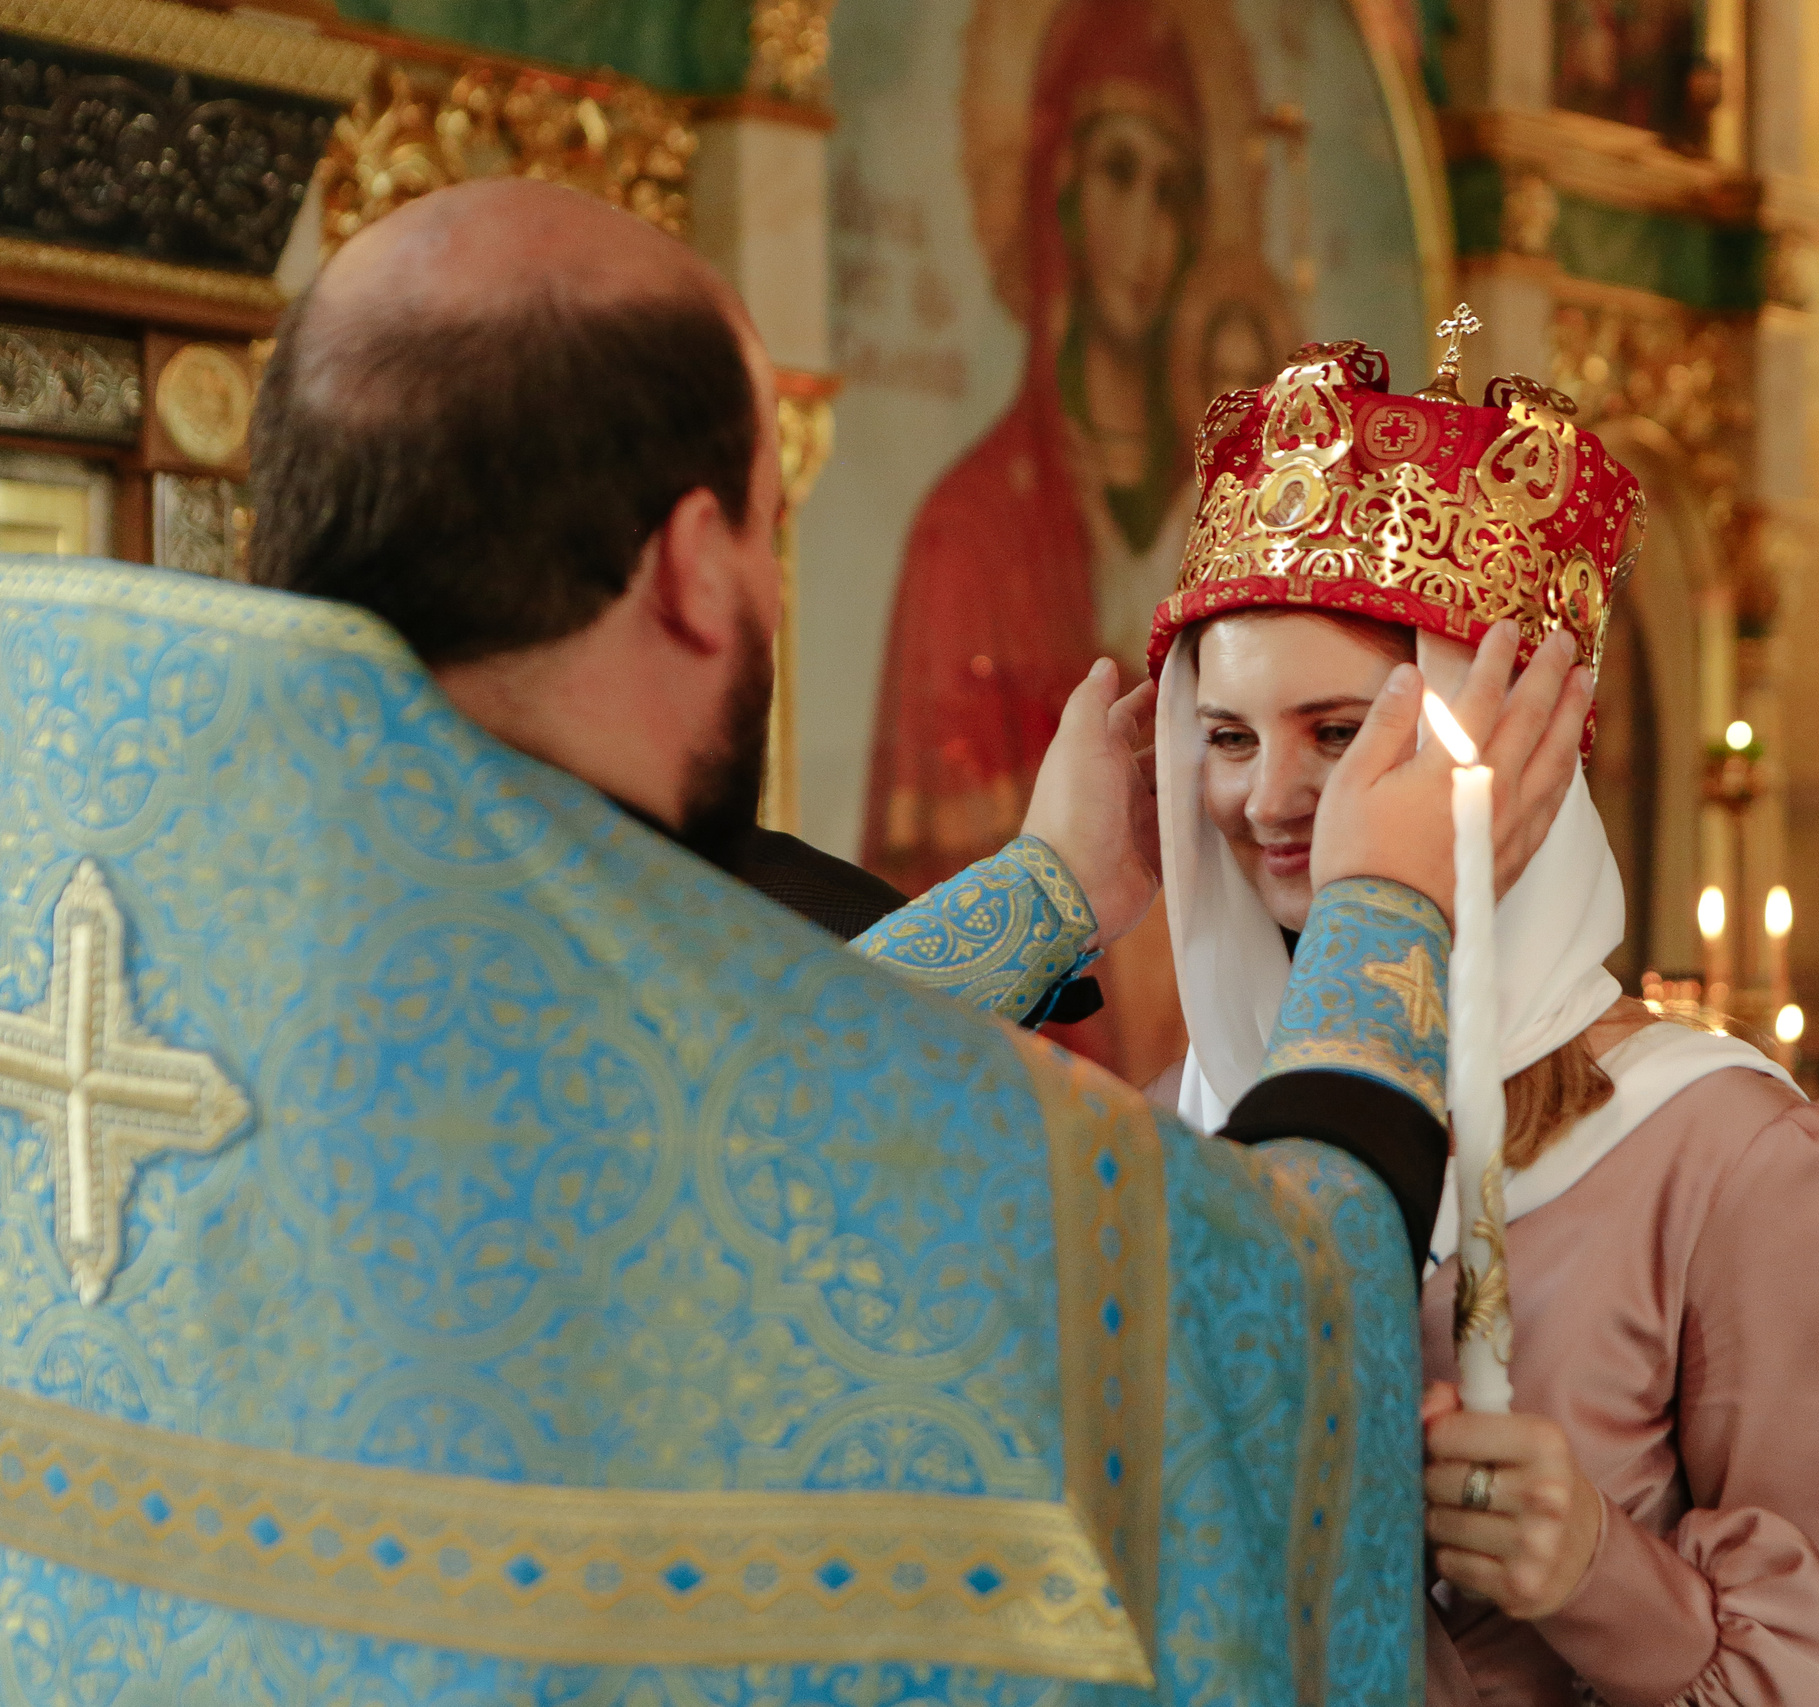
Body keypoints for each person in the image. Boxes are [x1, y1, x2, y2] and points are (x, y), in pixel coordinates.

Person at [0, 178, 1581, 1704]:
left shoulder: (89, 883)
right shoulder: (1003, 1176)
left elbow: (666, 1067)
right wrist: (1393, 911)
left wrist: (1045, 895)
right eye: (774, 528)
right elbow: (1271, 1345)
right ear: (699, 568)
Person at [1147, 335, 1819, 1705]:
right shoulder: (1181, 1121)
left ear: (1521, 743)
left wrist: (1604, 1574)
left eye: (1345, 731)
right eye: (1231, 736)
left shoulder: (1728, 1155)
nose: (1269, 799)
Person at [862, 0, 1292, 1080]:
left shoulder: (1250, 514)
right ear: (1054, 189)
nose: (1143, 234)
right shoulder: (965, 533)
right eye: (1116, 173)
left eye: (1173, 187)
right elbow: (915, 894)